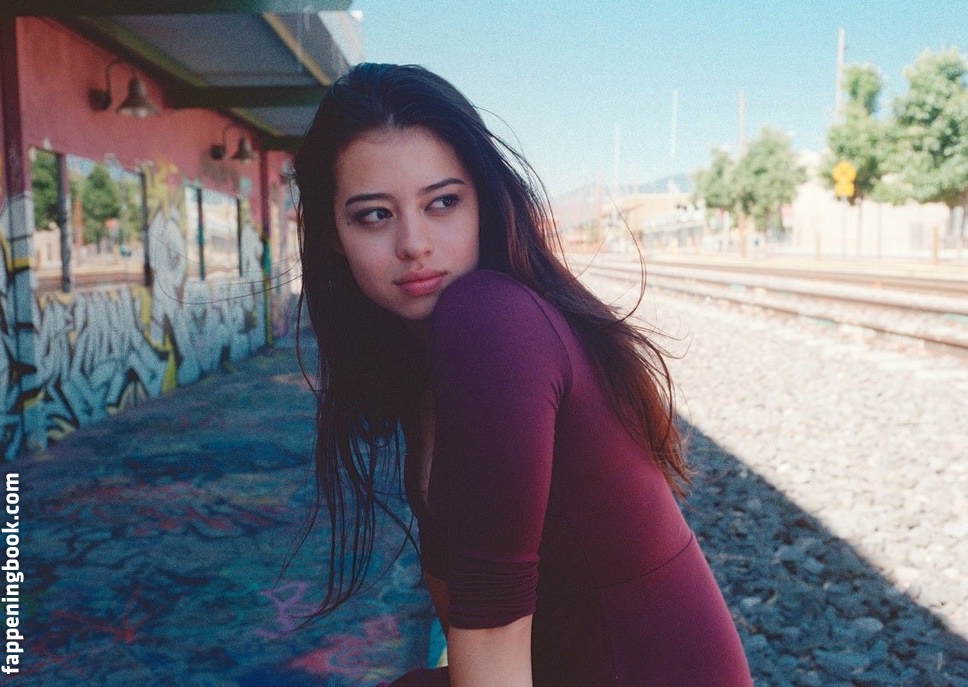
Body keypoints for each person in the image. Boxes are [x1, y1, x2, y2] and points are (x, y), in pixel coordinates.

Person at [292, 62, 752, 686]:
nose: (414, 243)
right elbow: (462, 615)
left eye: (443, 203)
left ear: (484, 203)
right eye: (374, 215)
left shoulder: (490, 319)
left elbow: (490, 635)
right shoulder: (422, 358)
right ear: (332, 235)